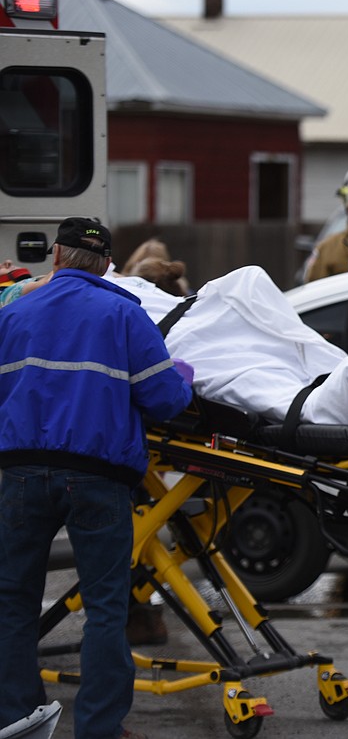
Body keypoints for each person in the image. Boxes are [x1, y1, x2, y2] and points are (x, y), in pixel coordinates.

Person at [0, 217, 194, 739]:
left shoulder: (13, 315)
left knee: (12, 599)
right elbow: (166, 401)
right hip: (99, 478)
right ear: (108, 265)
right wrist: (181, 376)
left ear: (56, 259)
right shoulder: (124, 316)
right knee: (107, 608)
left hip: (18, 474)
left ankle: (17, 719)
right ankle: (99, 728)